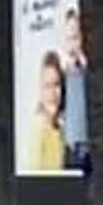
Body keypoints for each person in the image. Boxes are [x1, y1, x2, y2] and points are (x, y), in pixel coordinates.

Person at [29, 53, 69, 172]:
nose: (52, 93)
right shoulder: (39, 127)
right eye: (47, 86)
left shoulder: (61, 129)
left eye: (56, 84)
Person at [61, 9, 90, 170]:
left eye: (76, 38)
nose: (73, 45)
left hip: (90, 145)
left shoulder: (92, 71)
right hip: (70, 146)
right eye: (68, 39)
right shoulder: (63, 73)